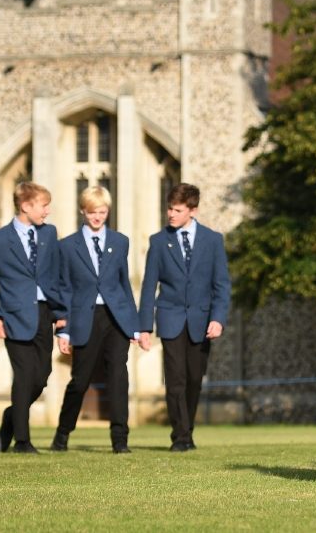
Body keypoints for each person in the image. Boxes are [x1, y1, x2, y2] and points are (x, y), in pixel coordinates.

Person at [0, 181, 64, 455]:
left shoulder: (49, 234)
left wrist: (62, 315)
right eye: (43, 205)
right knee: (23, 377)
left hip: (45, 315)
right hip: (13, 319)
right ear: (25, 206)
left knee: (41, 377)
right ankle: (22, 441)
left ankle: (12, 417)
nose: (47, 211)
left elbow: (57, 276)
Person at [138, 183, 230, 452]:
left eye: (177, 210)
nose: (171, 214)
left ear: (193, 210)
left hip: (201, 321)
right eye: (169, 208)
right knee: (175, 379)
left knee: (194, 380)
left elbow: (222, 284)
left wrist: (218, 319)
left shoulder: (213, 240)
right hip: (170, 318)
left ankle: (187, 431)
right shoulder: (158, 241)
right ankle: (180, 437)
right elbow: (148, 286)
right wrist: (144, 327)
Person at [52, 186, 143, 454]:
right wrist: (63, 329)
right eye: (92, 212)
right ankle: (62, 433)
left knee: (118, 377)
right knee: (80, 380)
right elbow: (64, 288)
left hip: (116, 319)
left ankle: (120, 440)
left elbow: (124, 284)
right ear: (83, 211)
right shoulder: (67, 246)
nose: (97, 217)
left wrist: (134, 325)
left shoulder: (120, 241)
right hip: (84, 319)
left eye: (102, 212)